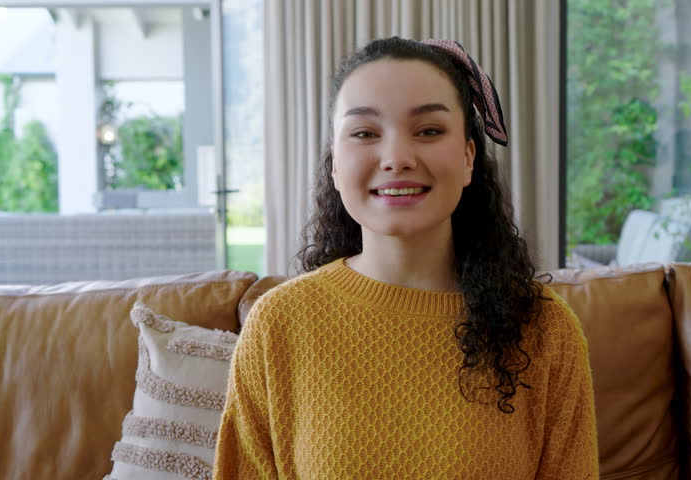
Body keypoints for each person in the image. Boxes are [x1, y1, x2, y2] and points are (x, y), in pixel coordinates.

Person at [213, 36, 599, 479]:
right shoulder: (278, 325)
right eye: (364, 134)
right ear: (335, 164)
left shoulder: (545, 329)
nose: (396, 158)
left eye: (429, 131)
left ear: (469, 156)